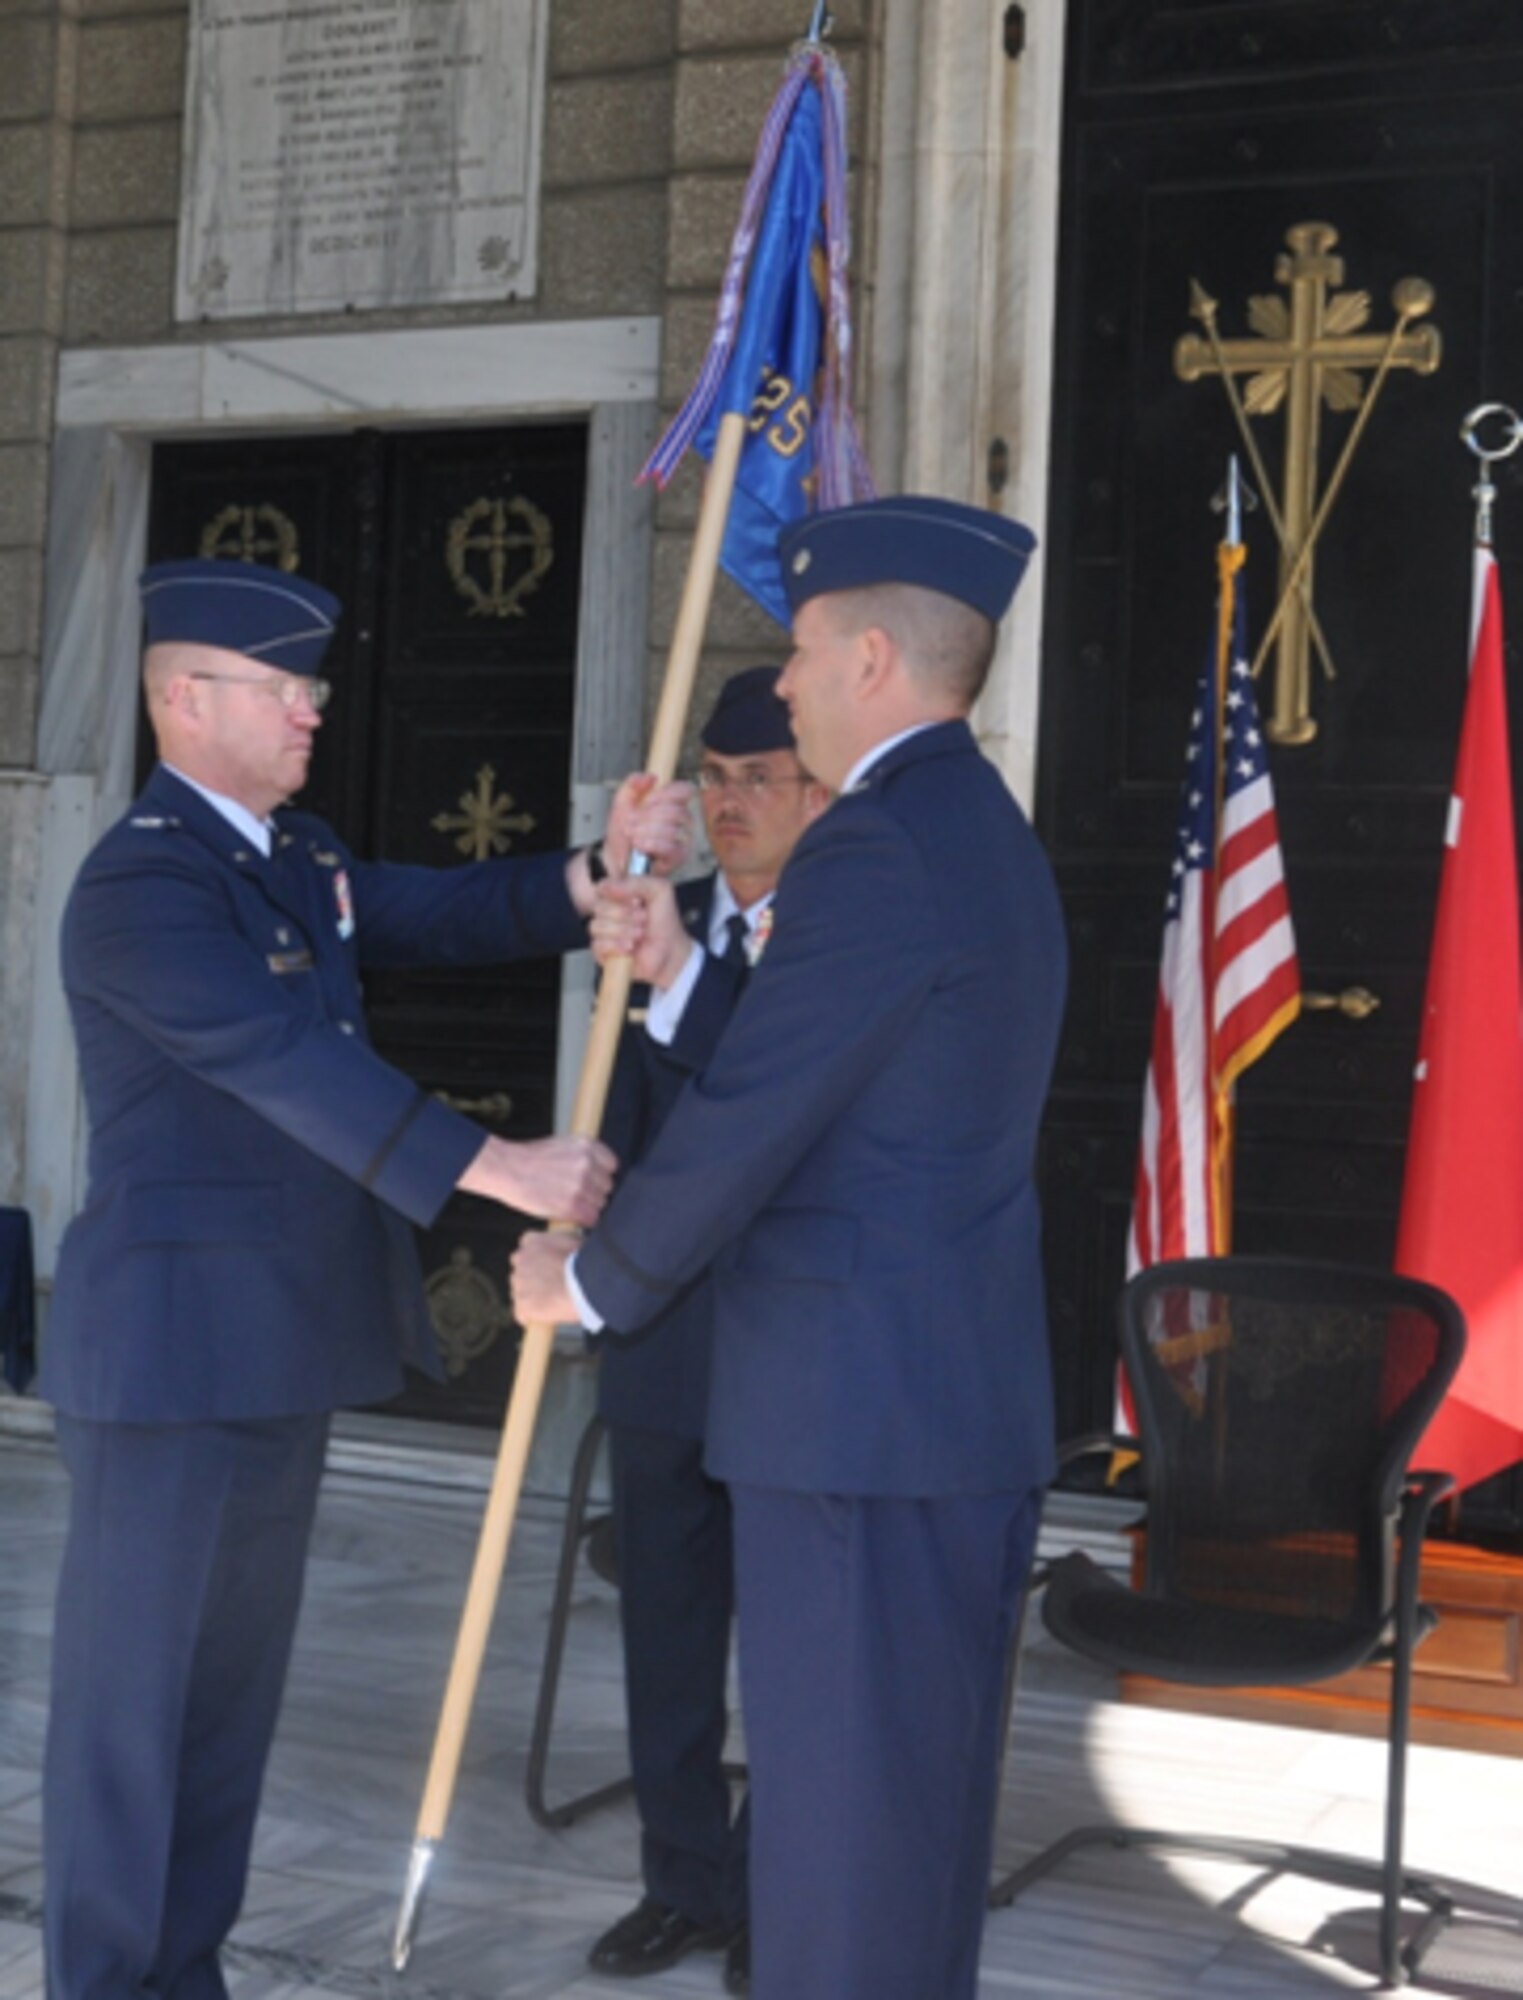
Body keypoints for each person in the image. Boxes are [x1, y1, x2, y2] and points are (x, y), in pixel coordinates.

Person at [40, 556, 691, 2000]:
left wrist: (602, 864)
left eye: (313, 690)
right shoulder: (142, 883)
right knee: (130, 1718)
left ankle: (180, 1973)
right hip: (164, 1360)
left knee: (223, 1712)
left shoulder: (293, 856)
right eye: (286, 690)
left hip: (273, 1348)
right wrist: (503, 1168)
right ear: (182, 698)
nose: (312, 715)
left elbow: (432, 912)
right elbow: (285, 1065)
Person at [512, 496, 1068, 2000]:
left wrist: (592, 1282)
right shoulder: (971, 827)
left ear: (875, 657)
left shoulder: (876, 846)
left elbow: (758, 1115)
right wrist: (684, 972)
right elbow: (831, 1073)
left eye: (810, 648)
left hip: (855, 1428)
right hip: (924, 1409)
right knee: (906, 1828)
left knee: (835, 1844)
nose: (796, 678)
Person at [587, 667, 829, 1992]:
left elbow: (776, 1118)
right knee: (669, 1634)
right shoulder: (649, 922)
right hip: (667, 1339)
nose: (734, 804)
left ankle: (773, 1894)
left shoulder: (844, 931)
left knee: (793, 1643)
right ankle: (683, 1879)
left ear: (820, 789)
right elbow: (614, 1123)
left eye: (764, 779)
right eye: (716, 778)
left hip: (792, 1343)